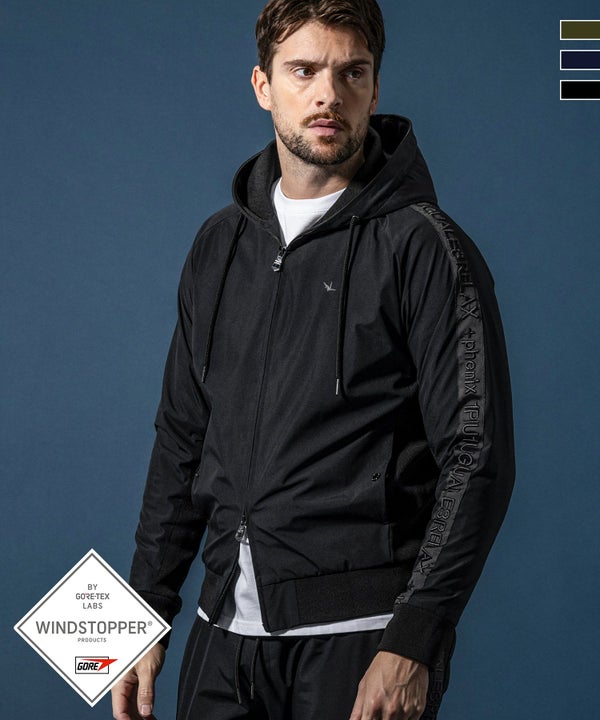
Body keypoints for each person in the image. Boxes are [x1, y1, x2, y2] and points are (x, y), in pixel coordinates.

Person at [111, 1, 514, 718]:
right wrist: (142, 610)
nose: (328, 94)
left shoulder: (423, 247)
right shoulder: (219, 245)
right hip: (221, 632)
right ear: (263, 85)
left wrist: (415, 640)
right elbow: (181, 439)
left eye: (351, 72)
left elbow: (475, 453)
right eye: (304, 71)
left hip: (360, 643)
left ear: (375, 88)